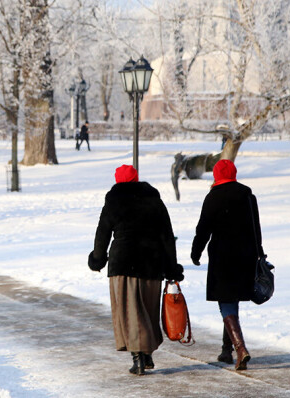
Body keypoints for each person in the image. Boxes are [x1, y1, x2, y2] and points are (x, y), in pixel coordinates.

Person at [88, 165, 184, 376]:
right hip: (151, 264)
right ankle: (147, 355)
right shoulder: (154, 200)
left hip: (123, 263)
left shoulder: (114, 200)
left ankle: (138, 358)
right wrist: (171, 267)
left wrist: (97, 259)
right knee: (147, 311)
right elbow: (167, 236)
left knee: (130, 313)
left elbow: (102, 233)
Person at [191, 159, 262, 370]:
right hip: (246, 255)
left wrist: (196, 252)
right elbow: (255, 226)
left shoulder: (213, 196)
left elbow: (203, 229)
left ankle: (240, 349)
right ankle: (226, 349)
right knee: (233, 300)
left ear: (216, 175)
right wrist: (259, 251)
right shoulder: (248, 195)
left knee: (226, 301)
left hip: (223, 256)